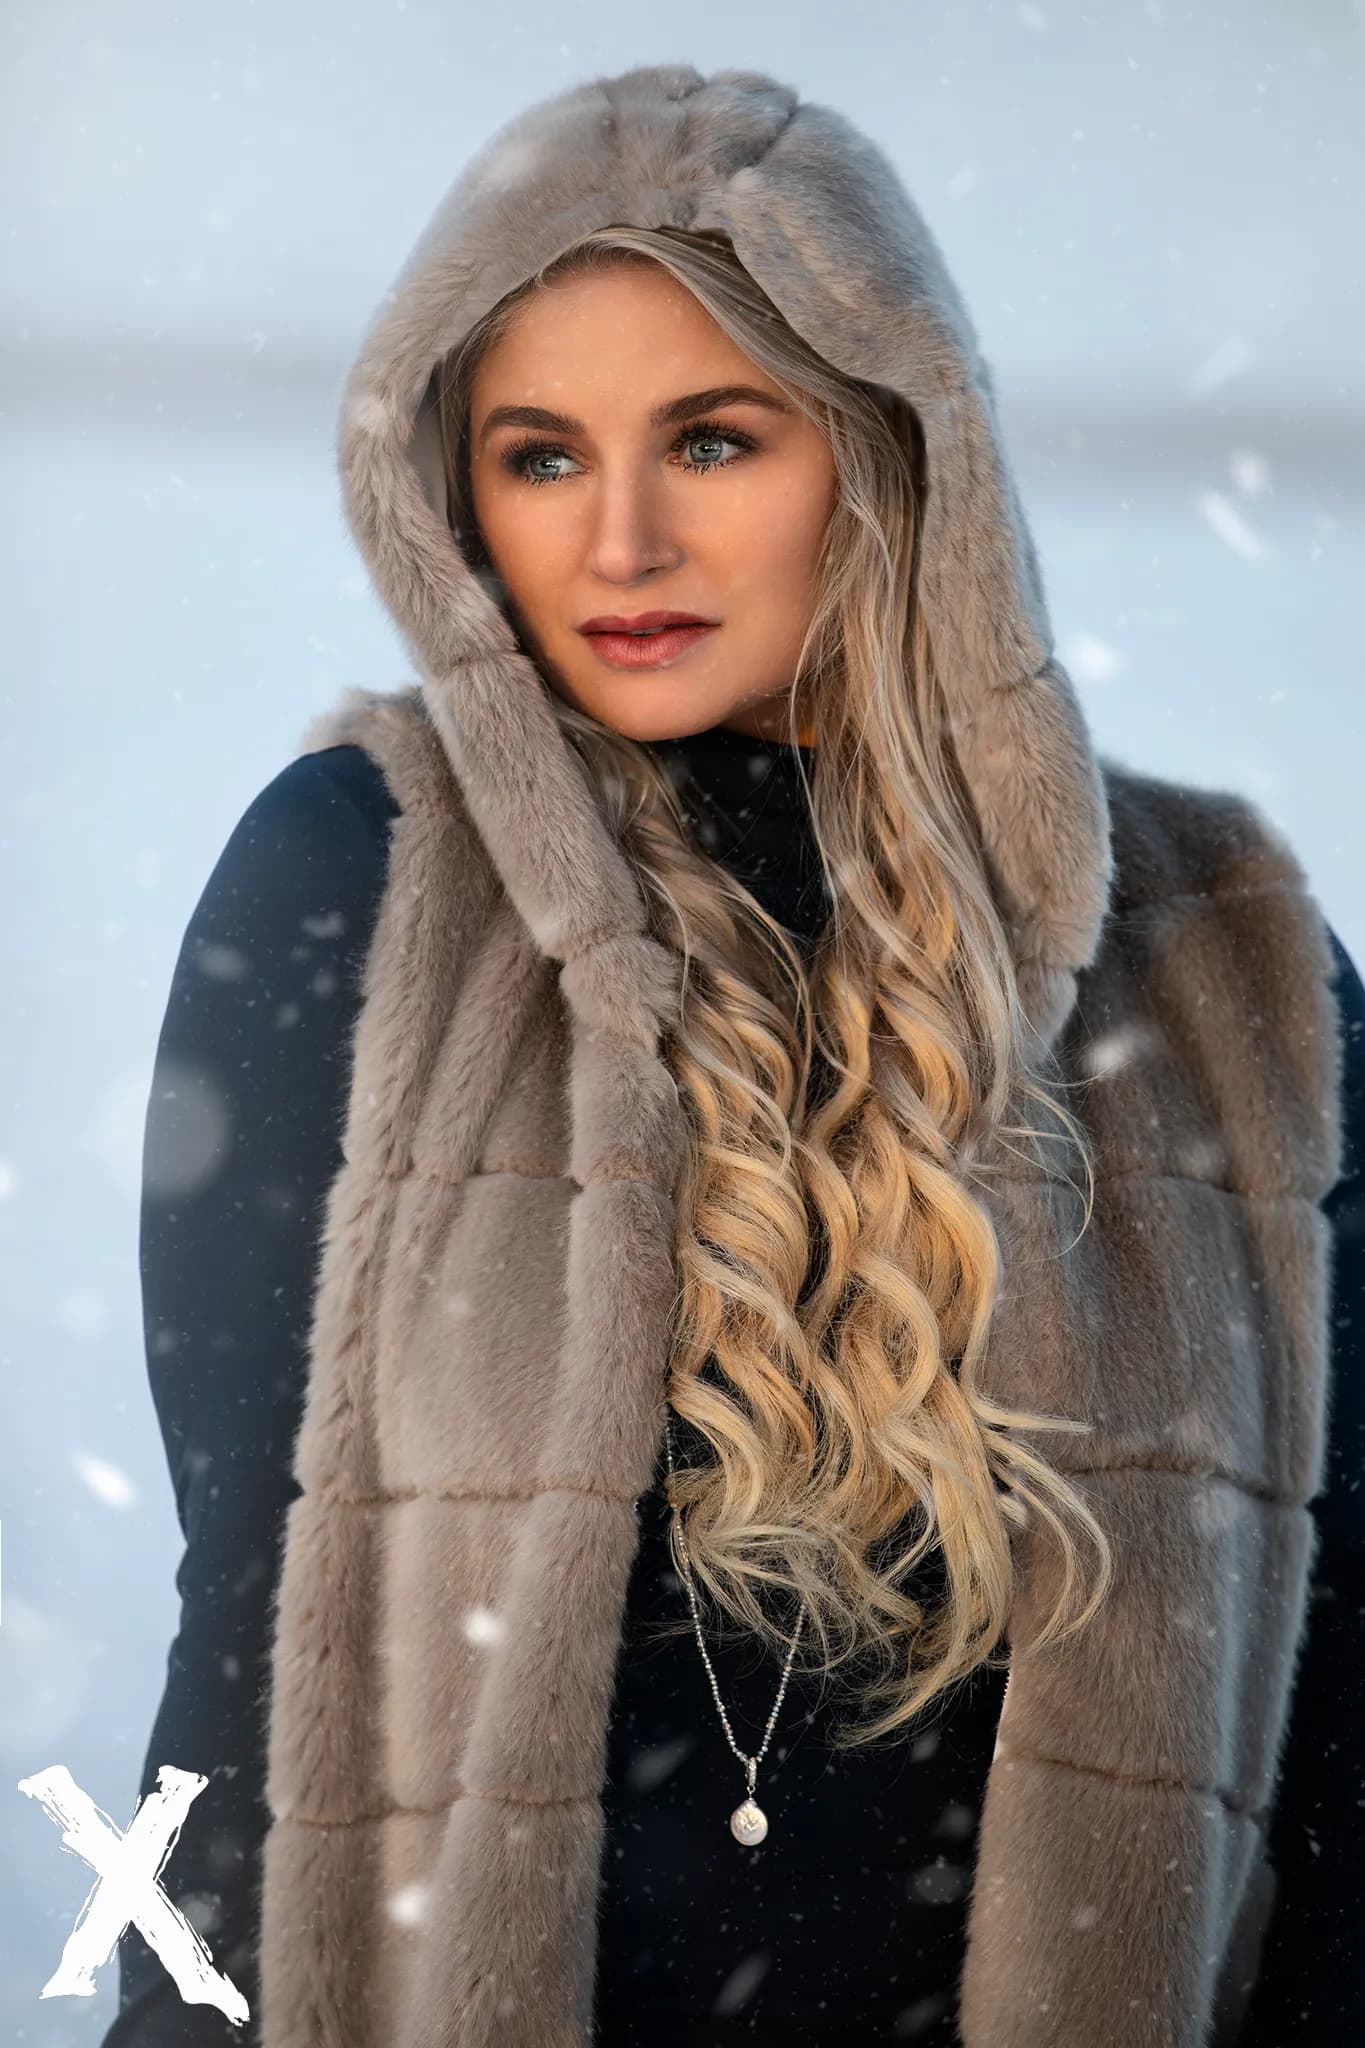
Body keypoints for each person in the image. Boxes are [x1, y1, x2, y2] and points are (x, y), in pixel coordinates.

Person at [106, 62, 1363, 2048]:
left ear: (884, 454)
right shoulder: (364, 878)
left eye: (708, 438)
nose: (619, 540)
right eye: (539, 456)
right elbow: (254, 1618)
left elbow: (1337, 1727)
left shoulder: (1223, 963)